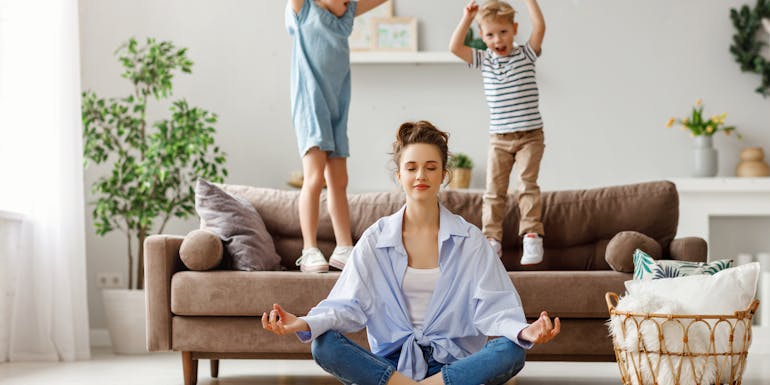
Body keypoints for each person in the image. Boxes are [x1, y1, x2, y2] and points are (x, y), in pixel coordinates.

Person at [262, 121, 560, 385]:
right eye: (412, 167)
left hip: (452, 365)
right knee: (323, 344)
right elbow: (347, 304)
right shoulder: (376, 239)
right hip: (392, 366)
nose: (421, 175)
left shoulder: (470, 239)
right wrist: (304, 323)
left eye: (431, 168)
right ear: (399, 174)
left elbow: (495, 306)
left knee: (511, 351)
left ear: (444, 174)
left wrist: (525, 331)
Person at [286, 0, 389, 273]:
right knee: (315, 177)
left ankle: (344, 246)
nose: (348, 1)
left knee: (339, 180)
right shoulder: (304, 10)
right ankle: (309, 249)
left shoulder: (347, 13)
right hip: (310, 105)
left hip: (337, 108)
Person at [449, 0, 547, 265]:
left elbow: (540, 26)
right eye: (490, 34)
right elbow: (455, 47)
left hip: (530, 136)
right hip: (499, 139)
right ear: (482, 36)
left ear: (514, 29)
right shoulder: (485, 59)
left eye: (503, 32)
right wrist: (467, 18)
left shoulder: (526, 53)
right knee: (494, 190)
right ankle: (492, 239)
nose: (497, 39)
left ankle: (532, 235)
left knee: (527, 185)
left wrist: (530, 2)